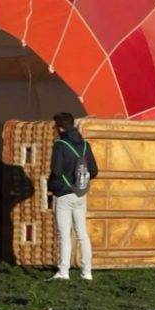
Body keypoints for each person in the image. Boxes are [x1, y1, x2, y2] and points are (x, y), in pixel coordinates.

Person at [46, 112, 98, 281]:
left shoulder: (60, 145)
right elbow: (95, 171)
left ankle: (63, 271)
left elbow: (56, 171)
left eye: (55, 126)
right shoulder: (84, 145)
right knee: (82, 234)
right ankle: (87, 272)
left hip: (63, 195)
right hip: (80, 194)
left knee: (64, 234)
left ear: (60, 128)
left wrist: (53, 186)